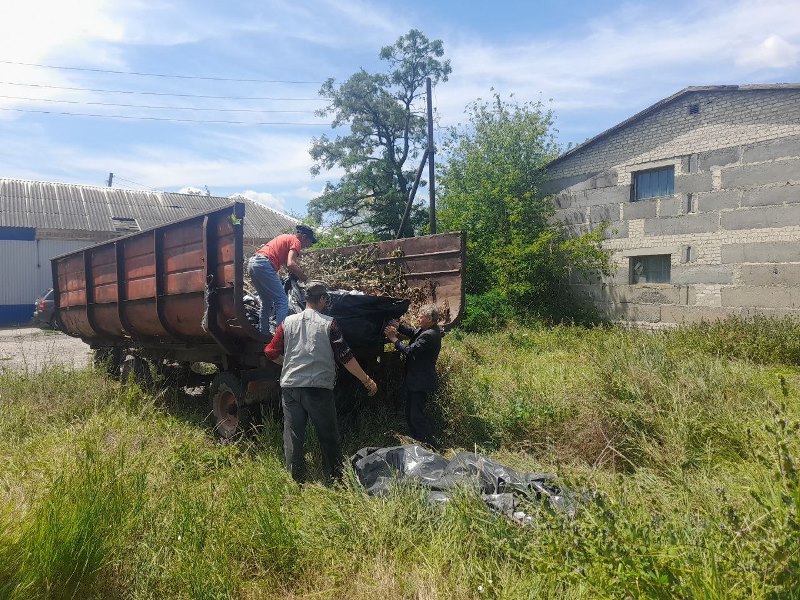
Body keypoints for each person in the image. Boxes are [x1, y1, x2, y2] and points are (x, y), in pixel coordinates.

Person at [264, 280, 378, 483]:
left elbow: (270, 351)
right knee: (328, 435)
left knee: (293, 436)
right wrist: (367, 380)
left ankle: (296, 481)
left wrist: (287, 364)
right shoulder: (329, 323)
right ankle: (334, 479)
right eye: (326, 299)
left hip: (290, 388)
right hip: (317, 389)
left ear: (306, 299)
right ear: (323, 299)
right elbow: (345, 357)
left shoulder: (287, 322)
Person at [383, 304, 442, 448]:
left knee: (416, 414)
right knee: (410, 412)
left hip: (421, 381)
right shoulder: (426, 330)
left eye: (420, 316)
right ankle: (418, 442)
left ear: (429, 319)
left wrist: (393, 339)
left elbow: (410, 351)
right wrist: (398, 325)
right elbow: (412, 332)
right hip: (415, 379)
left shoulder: (430, 335)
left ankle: (430, 444)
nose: (418, 318)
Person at [248, 224, 316, 335]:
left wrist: (293, 274)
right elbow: (291, 264)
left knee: (266, 301)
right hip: (264, 264)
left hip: (253, 263)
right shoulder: (296, 241)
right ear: (303, 237)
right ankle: (280, 338)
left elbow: (285, 263)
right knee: (282, 300)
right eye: (309, 241)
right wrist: (306, 280)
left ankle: (264, 333)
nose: (307, 245)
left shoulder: (286, 237)